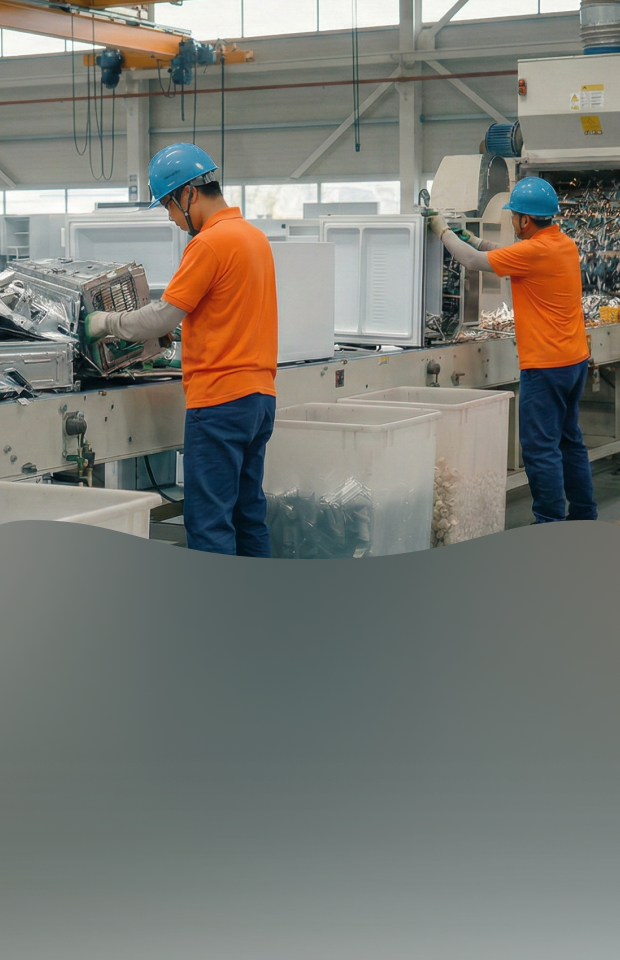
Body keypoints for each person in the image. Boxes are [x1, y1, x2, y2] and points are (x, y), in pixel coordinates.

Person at [85, 142, 278, 555]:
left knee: (209, 524)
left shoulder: (209, 243)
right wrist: (189, 331)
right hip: (259, 399)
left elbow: (160, 316)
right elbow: (228, 311)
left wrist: (105, 322)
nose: (172, 219)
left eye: (169, 206)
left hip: (219, 403)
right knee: (248, 516)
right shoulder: (253, 238)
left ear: (188, 193)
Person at [428, 176, 597, 524]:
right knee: (570, 443)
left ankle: (549, 523)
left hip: (545, 367)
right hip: (574, 361)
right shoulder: (563, 244)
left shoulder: (535, 251)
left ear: (525, 220)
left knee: (540, 451)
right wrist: (475, 239)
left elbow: (471, 263)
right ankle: (583, 517)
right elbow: (506, 255)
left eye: (514, 216)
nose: (511, 221)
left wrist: (441, 231)